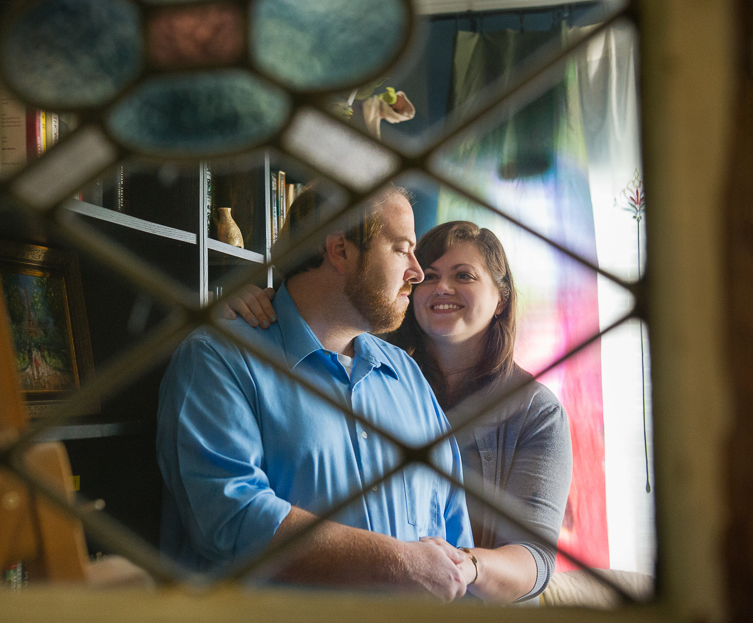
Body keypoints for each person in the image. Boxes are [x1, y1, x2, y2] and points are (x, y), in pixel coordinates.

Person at [157, 187, 476, 601]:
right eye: (402, 250)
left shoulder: (409, 378)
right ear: (340, 250)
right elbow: (232, 518)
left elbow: (452, 536)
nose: (417, 272)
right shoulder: (219, 360)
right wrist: (399, 564)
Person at [228, 220, 572, 604]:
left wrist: (462, 566)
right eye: (430, 276)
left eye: (464, 276)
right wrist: (258, 306)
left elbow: (536, 556)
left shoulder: (535, 411)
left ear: (502, 298)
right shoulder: (373, 370)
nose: (442, 287)